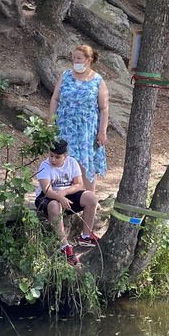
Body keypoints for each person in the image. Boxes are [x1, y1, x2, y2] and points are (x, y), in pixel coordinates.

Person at [48, 45, 108, 244]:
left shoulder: (98, 81)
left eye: (79, 58)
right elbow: (55, 98)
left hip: (86, 128)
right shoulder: (65, 76)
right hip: (65, 125)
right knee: (64, 159)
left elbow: (104, 108)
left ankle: (89, 198)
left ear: (88, 60)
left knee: (85, 163)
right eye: (73, 58)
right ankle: (59, 191)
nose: (76, 62)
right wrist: (51, 122)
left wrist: (102, 130)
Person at [35, 138, 100, 265]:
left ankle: (86, 236)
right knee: (54, 206)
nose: (53, 160)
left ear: (65, 156)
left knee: (91, 198)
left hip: (66, 195)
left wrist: (64, 193)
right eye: (51, 155)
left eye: (57, 157)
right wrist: (60, 198)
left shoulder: (72, 162)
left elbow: (79, 184)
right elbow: (47, 190)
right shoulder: (45, 166)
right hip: (47, 197)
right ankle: (64, 246)